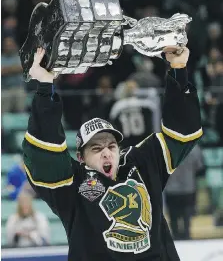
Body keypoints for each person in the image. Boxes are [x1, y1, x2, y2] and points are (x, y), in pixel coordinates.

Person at [23, 46, 202, 260]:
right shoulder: (72, 184)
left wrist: (178, 68)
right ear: (81, 158)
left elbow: (182, 133)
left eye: (111, 146)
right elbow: (44, 155)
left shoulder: (142, 164)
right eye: (96, 148)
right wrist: (45, 86)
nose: (106, 153)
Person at [164, 144, 205, 240]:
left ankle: (176, 236)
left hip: (171, 188)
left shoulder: (166, 148)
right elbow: (199, 168)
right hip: (188, 188)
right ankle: (186, 235)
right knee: (187, 215)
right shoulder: (194, 148)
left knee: (173, 216)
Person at [109, 79, 161, 148]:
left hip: (126, 145)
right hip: (145, 144)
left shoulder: (118, 107)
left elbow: (112, 127)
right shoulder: (148, 105)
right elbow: (156, 128)